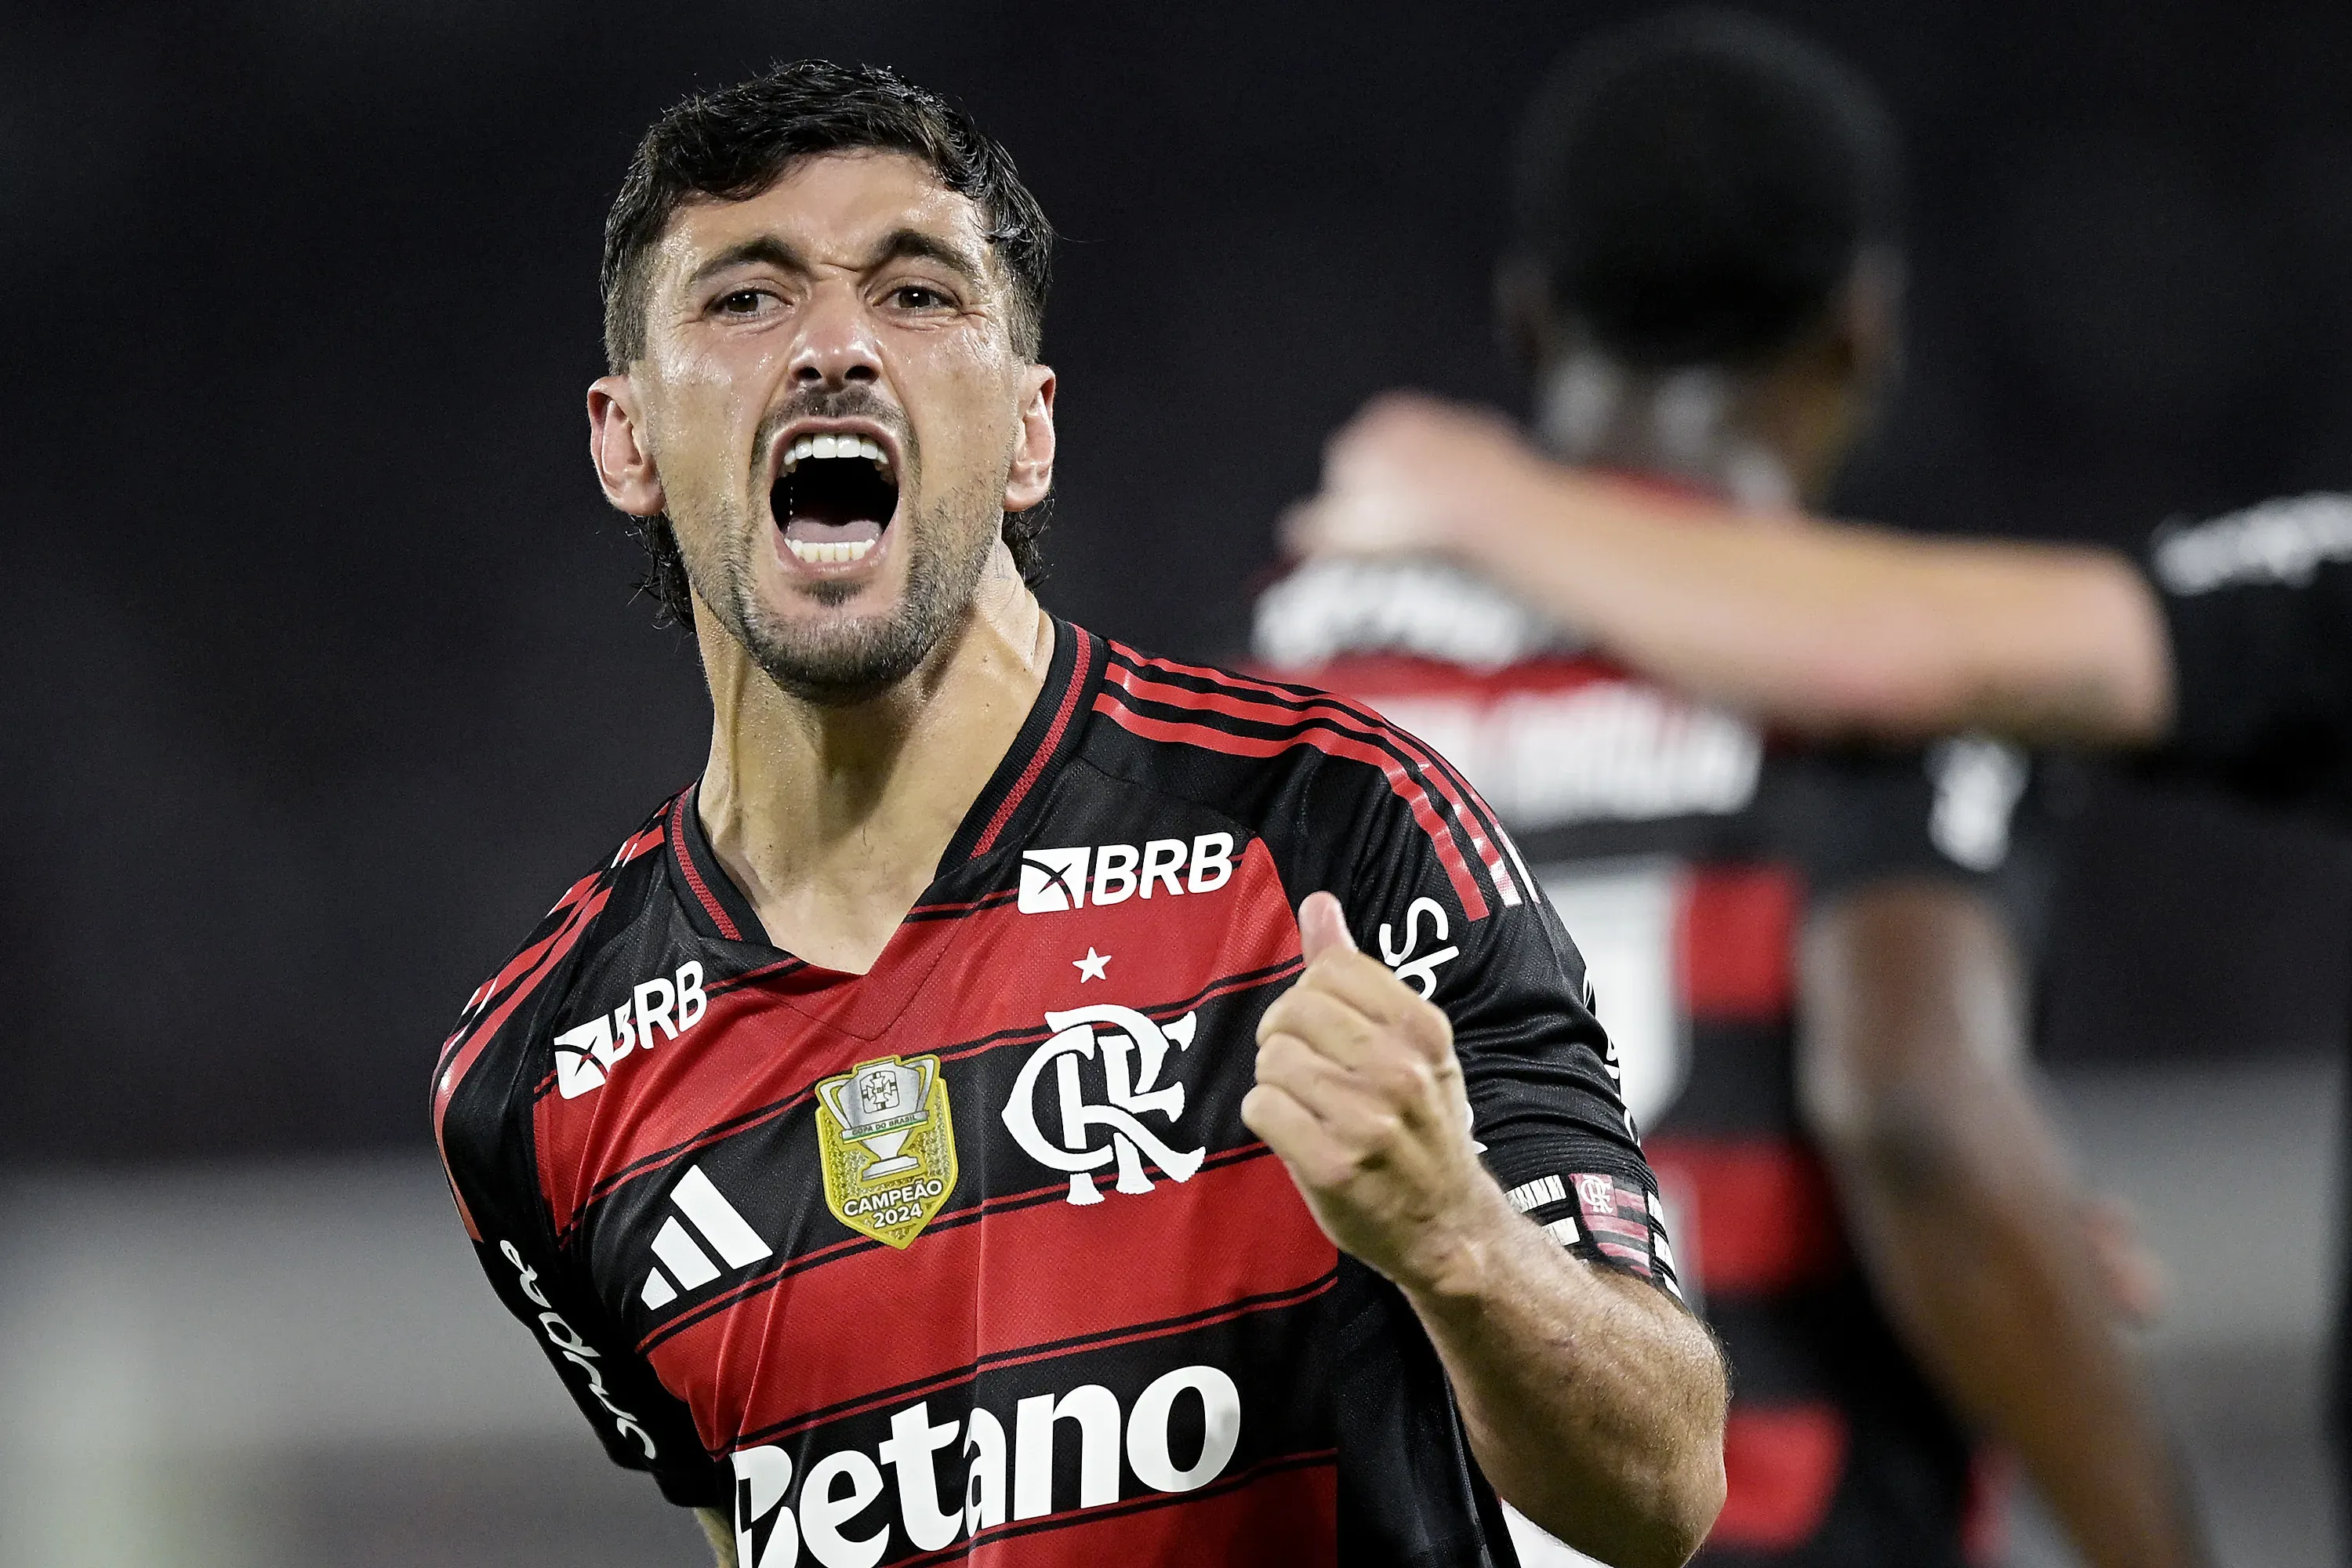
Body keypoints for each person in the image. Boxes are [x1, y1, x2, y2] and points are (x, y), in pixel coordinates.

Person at [429, 60, 1726, 1568]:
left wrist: (1457, 1238)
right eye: (744, 300)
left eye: (918, 295)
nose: (836, 347)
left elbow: (1664, 1485)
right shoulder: (534, 1085)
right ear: (626, 439)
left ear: (1030, 429)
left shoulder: (1329, 829)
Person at [1255, 16, 2205, 1568]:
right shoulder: (1883, 675)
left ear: (1530, 318)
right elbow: (1912, 1108)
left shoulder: (1284, 684)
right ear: (1863, 333)